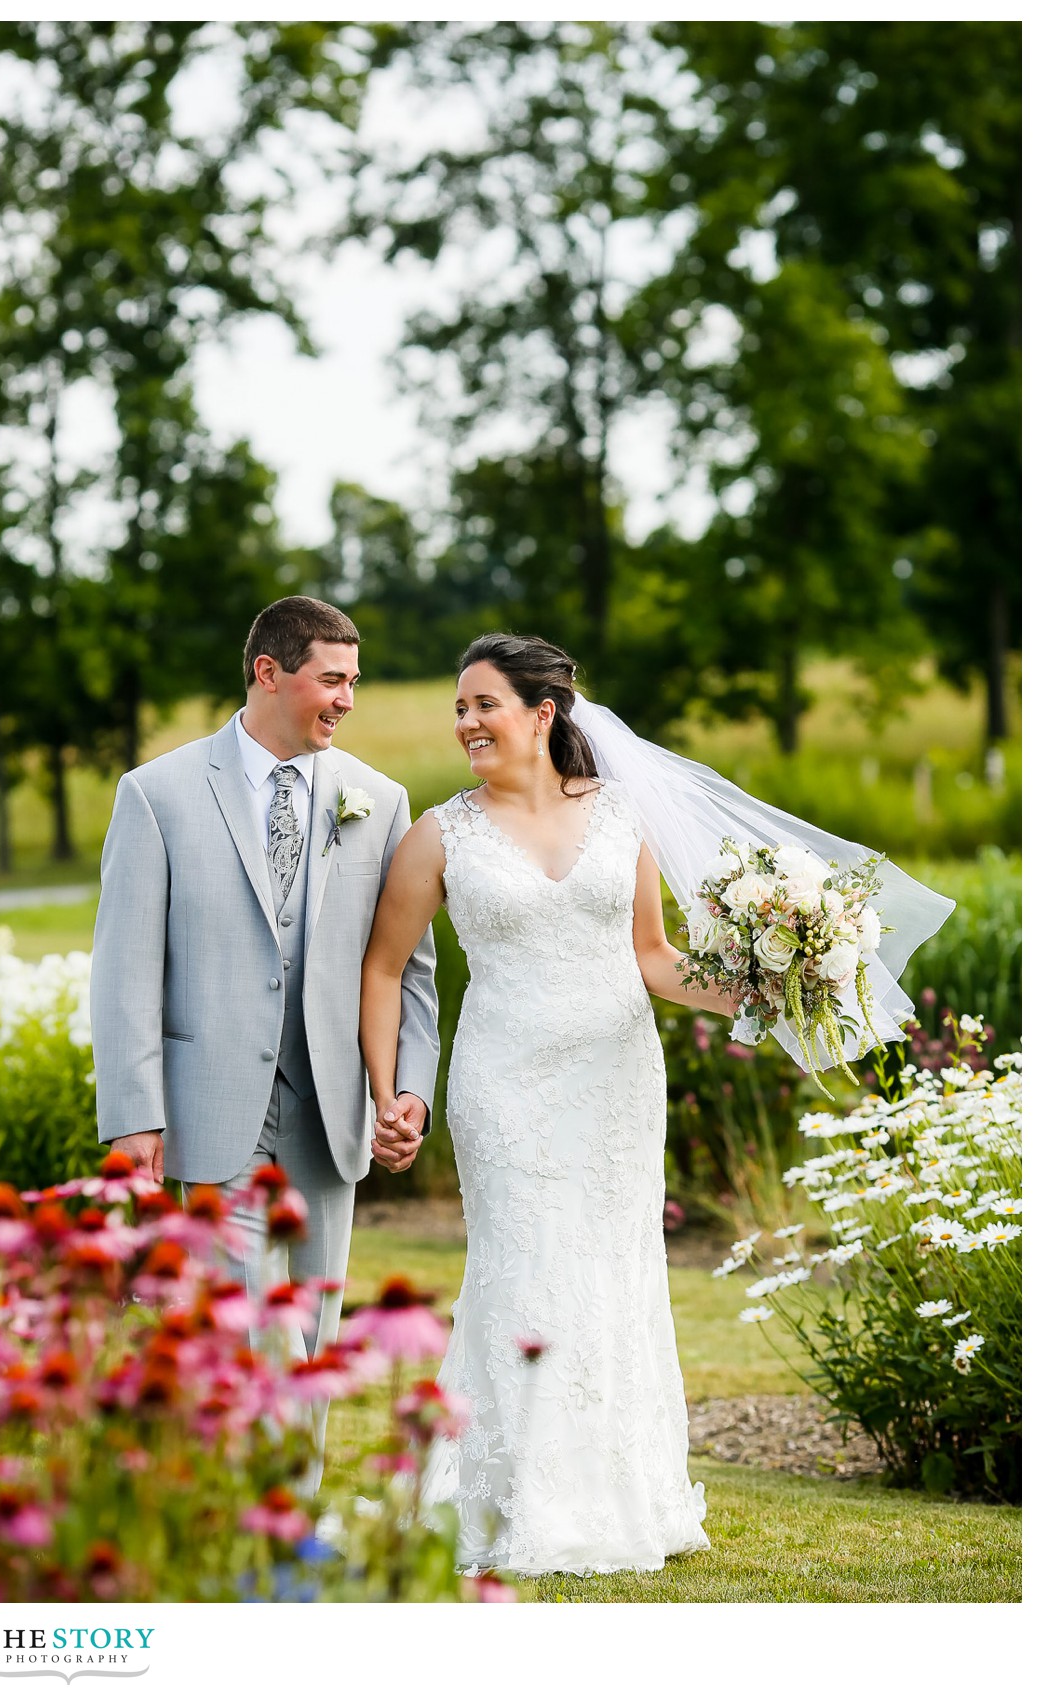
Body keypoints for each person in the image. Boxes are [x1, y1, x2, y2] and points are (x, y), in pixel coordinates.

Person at [359, 633, 734, 1576]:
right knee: (523, 1270)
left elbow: (652, 957)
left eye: (483, 704)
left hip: (615, 1080)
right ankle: (520, 1498)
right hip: (505, 1084)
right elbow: (382, 967)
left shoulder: (621, 814)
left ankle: (621, 1493)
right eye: (458, 708)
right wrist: (386, 1092)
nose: (466, 724)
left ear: (542, 714)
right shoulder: (440, 835)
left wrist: (752, 989)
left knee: (610, 1274)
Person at [90, 596, 439, 1476]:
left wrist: (407, 1089)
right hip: (208, 1114)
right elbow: (124, 969)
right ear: (268, 672)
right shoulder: (158, 794)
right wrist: (132, 1116)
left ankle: (296, 1522)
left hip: (329, 1113)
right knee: (232, 1333)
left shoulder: (381, 800)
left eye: (354, 682)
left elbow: (410, 971)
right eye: (333, 679)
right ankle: (232, 1520)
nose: (348, 699)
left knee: (312, 1335)